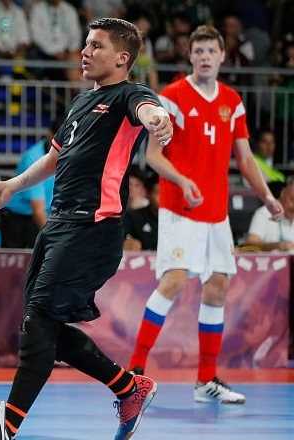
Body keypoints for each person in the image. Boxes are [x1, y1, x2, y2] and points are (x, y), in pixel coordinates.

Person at [0, 18, 172, 440]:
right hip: (60, 225)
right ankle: (129, 387)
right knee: (41, 324)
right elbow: (53, 159)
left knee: (39, 320)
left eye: (96, 46)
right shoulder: (83, 102)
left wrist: (159, 119)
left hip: (94, 228)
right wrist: (12, 186)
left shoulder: (128, 95)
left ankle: (7, 426)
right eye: (86, 43)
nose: (85, 51)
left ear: (121, 58)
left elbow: (149, 109)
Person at [128, 25, 285, 406]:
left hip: (216, 214)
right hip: (180, 208)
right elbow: (152, 155)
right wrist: (182, 181)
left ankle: (205, 381)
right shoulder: (173, 97)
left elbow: (245, 159)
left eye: (210, 51)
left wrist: (265, 195)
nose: (203, 57)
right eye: (197, 51)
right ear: (191, 57)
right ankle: (133, 374)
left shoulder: (232, 101)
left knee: (217, 287)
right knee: (175, 280)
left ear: (221, 55)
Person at [0, 124, 56, 249]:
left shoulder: (68, 155)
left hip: (45, 216)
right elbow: (38, 210)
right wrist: (54, 240)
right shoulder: (33, 157)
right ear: (50, 134)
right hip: (19, 219)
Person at [245, 178, 294, 251]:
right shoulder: (264, 213)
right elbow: (249, 245)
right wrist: (275, 246)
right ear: (283, 193)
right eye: (292, 200)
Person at [122, 175, 158, 251]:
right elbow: (121, 237)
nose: (164, 198)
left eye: (167, 194)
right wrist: (126, 242)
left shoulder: (179, 220)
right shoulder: (133, 216)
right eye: (158, 193)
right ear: (148, 194)